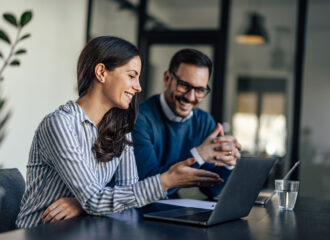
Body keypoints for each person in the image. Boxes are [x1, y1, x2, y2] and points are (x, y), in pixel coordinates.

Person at [16, 37, 223, 228]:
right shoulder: (60, 124)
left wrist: (84, 203)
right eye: (132, 76)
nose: (138, 87)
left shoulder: (119, 128)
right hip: (39, 232)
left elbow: (128, 193)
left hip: (82, 229)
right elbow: (94, 200)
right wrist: (166, 181)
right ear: (101, 73)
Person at [132, 49, 241, 199]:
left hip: (172, 212)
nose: (190, 97)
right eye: (184, 85)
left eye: (200, 90)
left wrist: (229, 163)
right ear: (167, 78)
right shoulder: (139, 119)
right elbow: (145, 185)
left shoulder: (204, 122)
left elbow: (211, 190)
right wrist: (199, 155)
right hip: (138, 213)